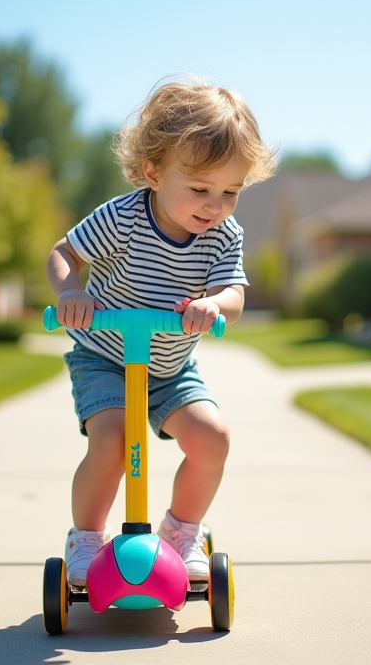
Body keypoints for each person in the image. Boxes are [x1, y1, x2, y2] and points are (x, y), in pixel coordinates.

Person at [46, 78, 276, 586]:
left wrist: (213, 305)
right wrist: (71, 295)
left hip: (170, 367)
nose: (214, 204)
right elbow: (64, 253)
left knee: (213, 438)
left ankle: (181, 531)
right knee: (112, 440)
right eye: (200, 188)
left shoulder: (222, 236)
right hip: (104, 357)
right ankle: (85, 540)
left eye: (230, 192)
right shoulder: (124, 217)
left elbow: (234, 295)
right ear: (153, 172)